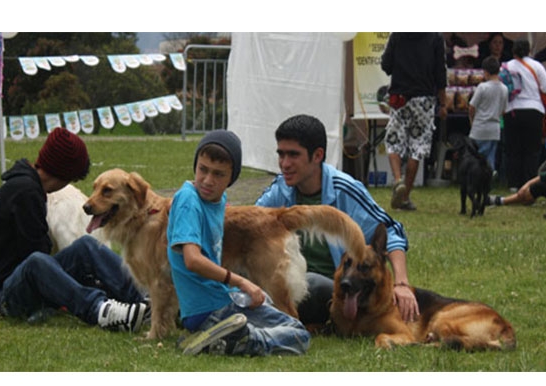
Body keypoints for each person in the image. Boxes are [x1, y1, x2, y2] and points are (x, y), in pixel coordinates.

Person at [255, 114, 419, 329]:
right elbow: (254, 226)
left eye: (293, 155)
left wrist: (401, 284)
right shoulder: (280, 189)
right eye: (281, 154)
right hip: (289, 281)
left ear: (317, 155)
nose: (284, 164)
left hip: (334, 287)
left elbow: (392, 231)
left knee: (307, 283)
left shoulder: (345, 190)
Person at [0, 128, 148, 332]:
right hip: (7, 297)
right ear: (63, 174)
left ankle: (145, 298)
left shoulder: (28, 186)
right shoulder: (25, 192)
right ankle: (101, 310)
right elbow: (35, 253)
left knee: (86, 245)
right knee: (37, 261)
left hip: (25, 281)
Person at [168, 130, 310, 356]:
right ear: (195, 166)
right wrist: (242, 282)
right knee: (297, 333)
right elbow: (192, 260)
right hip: (209, 308)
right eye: (202, 169)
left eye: (218, 174)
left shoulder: (218, 200)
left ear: (231, 178)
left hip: (220, 302)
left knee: (284, 321)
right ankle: (243, 338)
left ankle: (228, 336)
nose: (207, 180)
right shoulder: (188, 200)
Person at [381, 32, 448, 210]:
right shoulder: (435, 37)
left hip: (399, 97)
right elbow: (440, 72)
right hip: (424, 99)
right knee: (417, 146)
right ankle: (405, 197)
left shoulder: (397, 35)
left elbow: (386, 65)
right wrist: (443, 102)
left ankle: (397, 180)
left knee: (393, 141)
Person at [503, 39, 546, 191]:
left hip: (512, 111)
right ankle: (529, 184)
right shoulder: (537, 66)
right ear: (529, 51)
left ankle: (513, 184)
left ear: (513, 51)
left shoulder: (507, 66)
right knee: (532, 150)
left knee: (513, 149)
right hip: (534, 111)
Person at [468, 56, 508, 174]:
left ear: (485, 71)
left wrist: (472, 120)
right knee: (490, 159)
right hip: (494, 129)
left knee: (476, 157)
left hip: (479, 128)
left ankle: (475, 180)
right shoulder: (504, 89)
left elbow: (472, 107)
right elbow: (504, 110)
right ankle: (488, 181)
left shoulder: (482, 87)